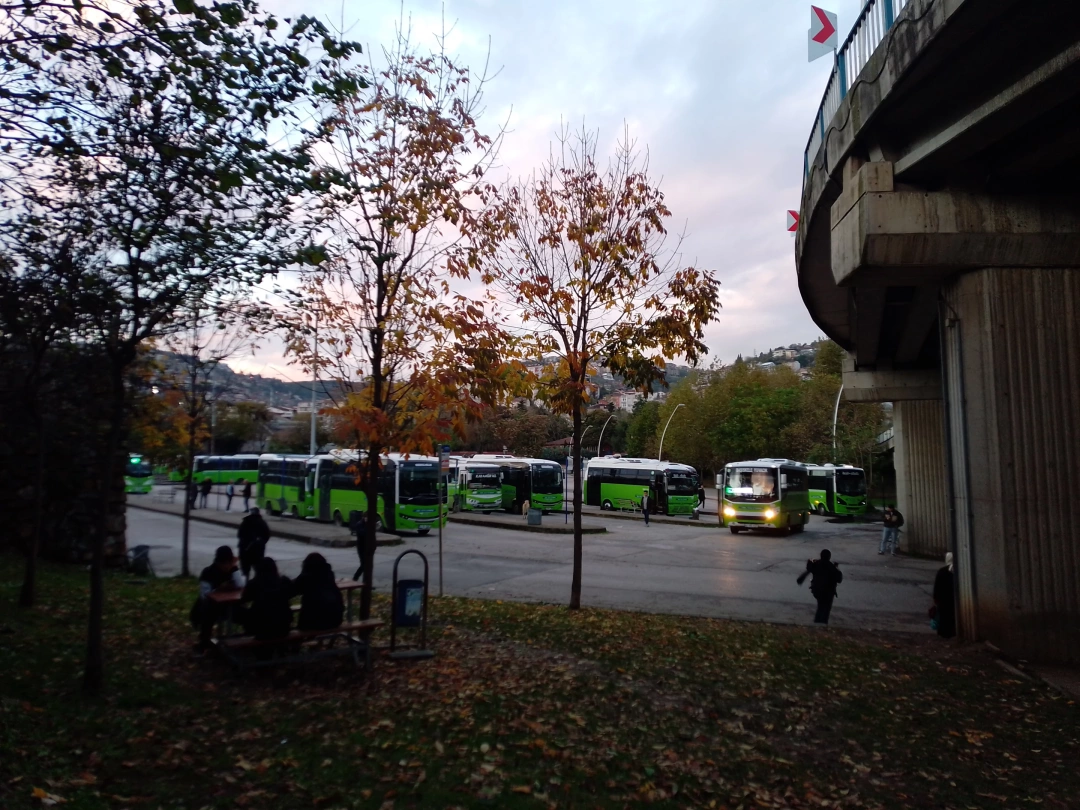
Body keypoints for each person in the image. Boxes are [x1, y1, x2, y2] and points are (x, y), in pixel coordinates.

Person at [189, 545, 246, 650]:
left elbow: (241, 584)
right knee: (208, 616)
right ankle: (204, 643)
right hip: (210, 607)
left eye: (229, 563)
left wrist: (234, 569)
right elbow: (204, 594)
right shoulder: (208, 572)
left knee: (246, 614)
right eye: (225, 564)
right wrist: (219, 589)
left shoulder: (232, 570)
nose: (227, 567)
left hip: (230, 605)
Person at [240, 557, 293, 641]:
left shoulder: (254, 583)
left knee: (243, 611)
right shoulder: (284, 581)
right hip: (283, 626)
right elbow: (291, 593)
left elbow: (244, 598)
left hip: (261, 628)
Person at [290, 553, 345, 631]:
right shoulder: (329, 575)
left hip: (312, 623)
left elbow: (292, 591)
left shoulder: (306, 577)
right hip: (335, 620)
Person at [797, 549, 843, 625]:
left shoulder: (816, 564)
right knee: (826, 609)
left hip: (817, 591)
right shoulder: (831, 566)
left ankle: (818, 622)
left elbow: (809, 569)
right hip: (828, 592)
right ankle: (822, 623)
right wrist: (836, 567)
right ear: (829, 557)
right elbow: (839, 579)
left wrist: (801, 578)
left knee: (821, 606)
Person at [237, 507, 271, 579]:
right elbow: (267, 535)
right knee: (259, 570)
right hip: (257, 551)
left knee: (245, 571)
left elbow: (239, 535)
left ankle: (246, 583)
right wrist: (261, 543)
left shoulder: (245, 522)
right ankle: (258, 583)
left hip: (245, 550)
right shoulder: (262, 522)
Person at [932, 551, 956, 639]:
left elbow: (937, 586)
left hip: (942, 599)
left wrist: (935, 598)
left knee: (943, 616)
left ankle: (943, 633)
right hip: (952, 598)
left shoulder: (942, 571)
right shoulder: (955, 571)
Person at [351, 510, 368, 581]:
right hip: (361, 547)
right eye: (367, 517)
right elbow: (362, 534)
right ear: (364, 517)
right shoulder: (359, 524)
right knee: (364, 565)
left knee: (366, 565)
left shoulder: (367, 524)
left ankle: (363, 580)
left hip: (366, 547)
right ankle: (355, 578)